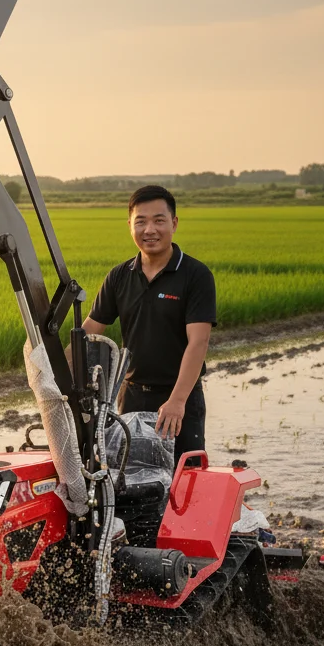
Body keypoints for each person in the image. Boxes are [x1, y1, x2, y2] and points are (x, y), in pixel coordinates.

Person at [81, 185, 217, 463]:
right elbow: (90, 331)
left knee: (183, 479)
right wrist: (54, 374)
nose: (149, 230)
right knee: (132, 481)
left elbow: (198, 341)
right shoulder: (120, 276)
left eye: (159, 220)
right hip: (131, 396)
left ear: (174, 223)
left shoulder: (195, 275)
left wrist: (178, 401)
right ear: (130, 225)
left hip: (180, 397)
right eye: (140, 221)